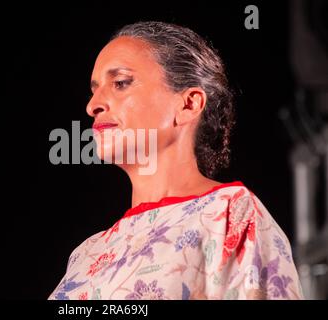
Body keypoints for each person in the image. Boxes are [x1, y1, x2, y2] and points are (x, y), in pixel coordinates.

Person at [48, 21, 303, 300]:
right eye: (94, 89)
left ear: (188, 104)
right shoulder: (87, 254)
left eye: (120, 83)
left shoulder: (229, 214)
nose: (92, 105)